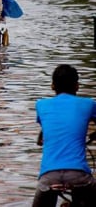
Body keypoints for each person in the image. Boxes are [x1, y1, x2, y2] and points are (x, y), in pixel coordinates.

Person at [33, 64, 96, 207]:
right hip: (79, 175)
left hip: (49, 176)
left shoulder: (41, 105)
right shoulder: (89, 104)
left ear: (52, 86)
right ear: (77, 86)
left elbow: (47, 130)